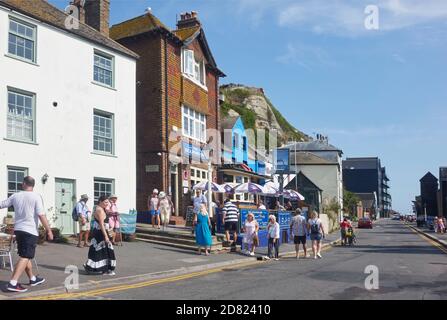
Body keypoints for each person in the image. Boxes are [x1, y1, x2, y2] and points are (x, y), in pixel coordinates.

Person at [0, 176, 53, 293]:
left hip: (18, 230)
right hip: (30, 231)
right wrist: (49, 230)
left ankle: (32, 278)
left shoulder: (15, 196)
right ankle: (13, 283)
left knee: (26, 255)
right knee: (26, 256)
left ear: (24, 184)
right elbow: (41, 215)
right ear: (33, 185)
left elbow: (2, 204)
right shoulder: (36, 196)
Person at [84, 195, 116, 275]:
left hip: (100, 232)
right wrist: (106, 236)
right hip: (100, 233)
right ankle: (106, 269)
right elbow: (101, 224)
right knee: (104, 251)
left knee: (101, 251)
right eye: (105, 202)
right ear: (100, 202)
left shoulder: (100, 209)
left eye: (107, 202)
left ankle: (94, 267)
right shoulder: (100, 210)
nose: (107, 204)